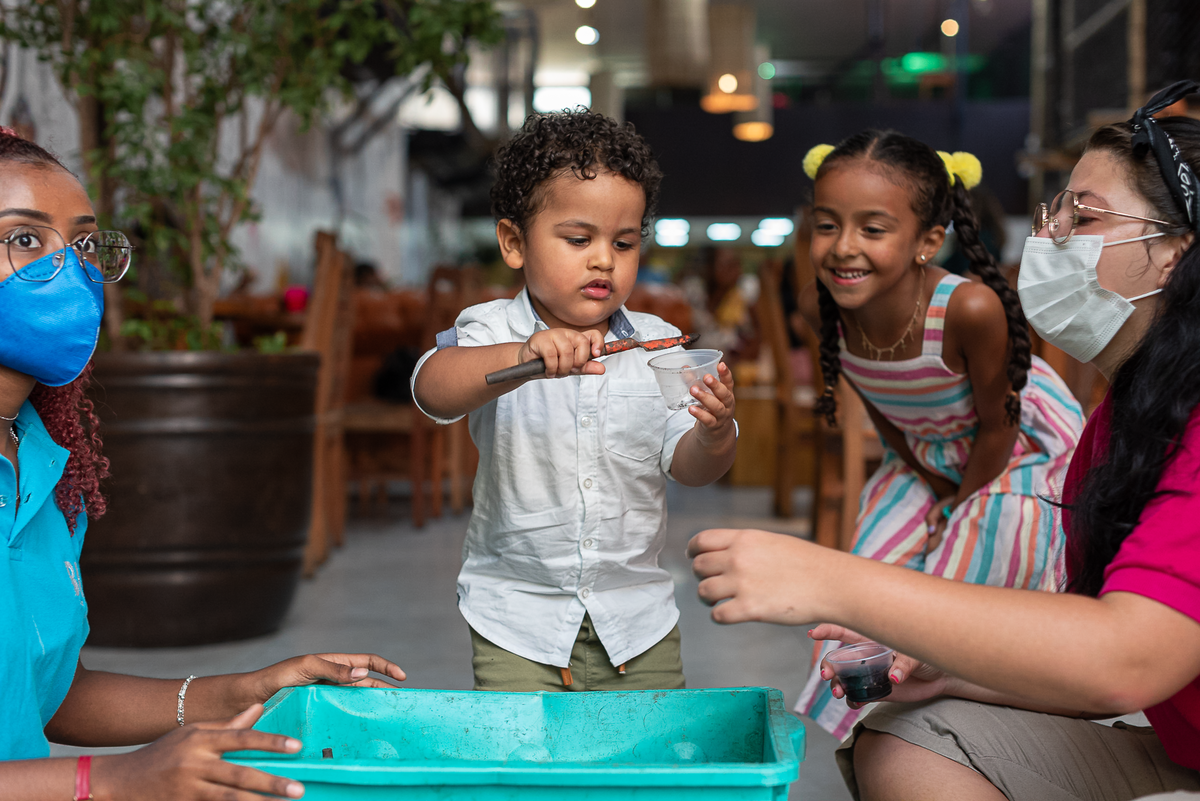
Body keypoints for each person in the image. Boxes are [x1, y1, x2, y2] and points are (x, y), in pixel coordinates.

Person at [688, 81, 1200, 801]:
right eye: (1054, 210)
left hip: (995, 473)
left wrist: (830, 578)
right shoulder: (1126, 419)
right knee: (908, 735)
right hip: (1181, 746)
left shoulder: (999, 348)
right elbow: (1106, 682)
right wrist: (955, 670)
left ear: (1175, 250)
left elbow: (1129, 658)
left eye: (1081, 216)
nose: (1049, 237)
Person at [0, 127, 407, 799]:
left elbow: (42, 692)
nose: (71, 271)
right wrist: (110, 779)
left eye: (82, 244)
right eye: (23, 239)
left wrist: (239, 690)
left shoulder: (44, 466)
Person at [411, 109, 737, 692]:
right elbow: (432, 388)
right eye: (579, 239)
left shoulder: (656, 343)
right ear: (514, 243)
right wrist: (521, 357)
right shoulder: (491, 330)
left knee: (642, 774)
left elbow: (688, 468)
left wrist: (713, 435)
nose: (604, 260)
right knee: (528, 776)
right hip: (516, 621)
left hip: (638, 624)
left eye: (625, 242)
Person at [793, 130, 1084, 737]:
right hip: (923, 453)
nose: (844, 248)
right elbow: (880, 408)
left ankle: (969, 706)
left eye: (873, 229)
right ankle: (879, 716)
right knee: (869, 585)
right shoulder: (821, 307)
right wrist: (925, 476)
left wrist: (958, 503)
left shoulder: (968, 310)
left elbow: (1000, 427)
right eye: (827, 225)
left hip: (1015, 453)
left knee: (966, 565)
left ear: (928, 241)